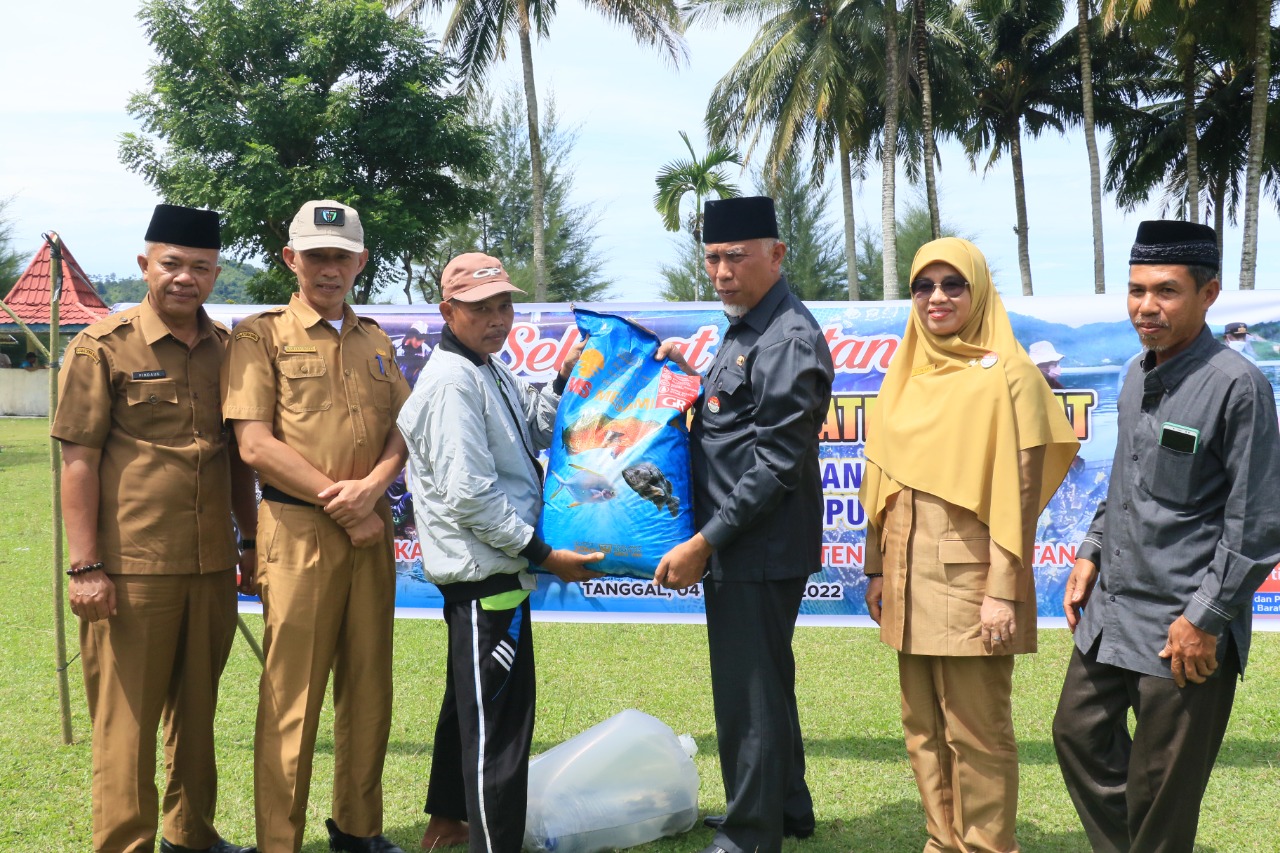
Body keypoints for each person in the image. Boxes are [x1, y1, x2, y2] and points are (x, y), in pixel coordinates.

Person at [1052, 220, 1280, 853]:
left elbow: (1257, 522)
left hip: (1184, 624)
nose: (1146, 306)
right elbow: (1124, 482)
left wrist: (1205, 617)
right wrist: (1091, 551)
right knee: (1078, 736)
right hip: (1114, 609)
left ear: (1207, 296)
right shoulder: (1134, 374)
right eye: (1136, 290)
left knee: (1161, 788)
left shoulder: (1238, 387)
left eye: (1166, 291)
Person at [858, 238, 1078, 853]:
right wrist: (875, 568)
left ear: (978, 290)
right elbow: (883, 476)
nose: (937, 298)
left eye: (953, 284)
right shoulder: (907, 372)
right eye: (923, 286)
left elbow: (1021, 495)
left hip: (969, 580)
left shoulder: (1010, 375)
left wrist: (1001, 593)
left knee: (976, 731)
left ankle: (985, 846)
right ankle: (941, 841)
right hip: (902, 574)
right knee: (920, 727)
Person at [52, 204, 257, 853]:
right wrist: (85, 567)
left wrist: (249, 543)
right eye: (172, 264)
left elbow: (237, 460)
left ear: (216, 272)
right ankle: (125, 844)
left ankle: (190, 834)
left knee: (197, 716)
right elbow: (78, 460)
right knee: (127, 726)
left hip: (210, 566)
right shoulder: (101, 347)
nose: (185, 278)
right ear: (146, 264)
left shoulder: (229, 351)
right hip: (129, 570)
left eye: (200, 267)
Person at [397, 252, 604, 853]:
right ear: (447, 311)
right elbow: (471, 497)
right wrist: (543, 553)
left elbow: (536, 430)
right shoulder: (452, 382)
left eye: (503, 305)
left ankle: (447, 825)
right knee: (498, 732)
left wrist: (563, 379)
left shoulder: (486, 367)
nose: (496, 318)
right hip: (489, 578)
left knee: (470, 708)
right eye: (480, 308)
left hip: (493, 576)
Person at [222, 200, 411, 853]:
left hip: (369, 530)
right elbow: (253, 444)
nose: (330, 268)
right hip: (298, 528)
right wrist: (345, 500)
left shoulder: (377, 340)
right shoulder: (258, 336)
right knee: (291, 694)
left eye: (342, 256)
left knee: (369, 684)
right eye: (316, 255)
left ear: (361, 261)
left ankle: (358, 828)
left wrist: (373, 490)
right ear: (291, 259)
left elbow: (401, 432)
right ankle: (280, 840)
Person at [653, 196, 833, 853]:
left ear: (777, 255)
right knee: (766, 679)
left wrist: (705, 541)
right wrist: (683, 378)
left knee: (746, 691)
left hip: (754, 541)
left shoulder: (787, 335)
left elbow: (776, 464)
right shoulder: (745, 327)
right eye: (712, 258)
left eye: (736, 256)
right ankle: (786, 806)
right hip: (745, 537)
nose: (722, 271)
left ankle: (751, 833)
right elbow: (725, 415)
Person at [394, 319, 432, 386]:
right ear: (411, 335)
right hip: (397, 385)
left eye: (422, 340)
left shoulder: (427, 352)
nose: (419, 343)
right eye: (417, 339)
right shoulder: (395, 346)